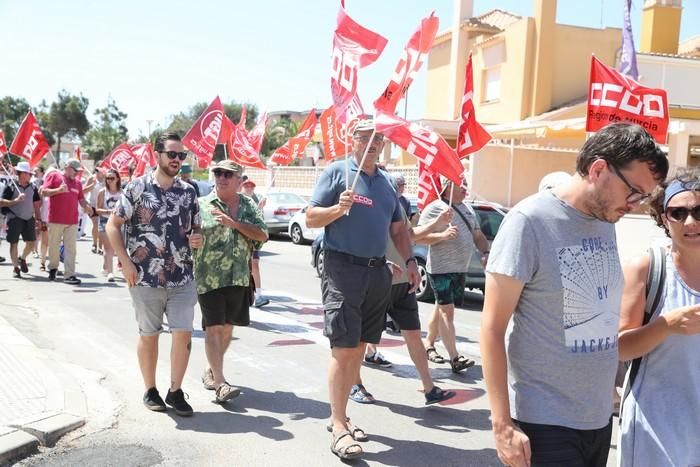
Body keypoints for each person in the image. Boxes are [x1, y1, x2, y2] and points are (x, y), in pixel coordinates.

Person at [480, 123, 668, 467]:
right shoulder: (529, 221)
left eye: (643, 197)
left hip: (597, 420)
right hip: (544, 422)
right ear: (598, 169)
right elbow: (492, 329)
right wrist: (502, 424)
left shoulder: (605, 220)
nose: (636, 205)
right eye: (634, 192)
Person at [306, 118, 419, 460]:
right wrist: (336, 209)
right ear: (351, 139)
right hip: (342, 268)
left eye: (378, 138)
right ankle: (339, 426)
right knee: (343, 349)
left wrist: (410, 262)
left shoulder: (385, 182)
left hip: (376, 272)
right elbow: (311, 218)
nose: (373, 142)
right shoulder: (338, 172)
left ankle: (341, 415)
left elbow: (398, 229)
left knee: (358, 348)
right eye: (365, 136)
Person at [106, 132, 202, 417]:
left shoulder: (188, 192)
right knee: (149, 335)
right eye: (172, 154)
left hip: (182, 275)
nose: (177, 160)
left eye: (181, 156)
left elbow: (196, 229)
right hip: (145, 277)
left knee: (183, 333)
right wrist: (126, 263)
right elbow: (113, 226)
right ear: (156, 154)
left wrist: (198, 238)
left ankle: (175, 391)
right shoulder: (136, 189)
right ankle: (150, 389)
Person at [618, 167, 700, 466]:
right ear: (664, 218)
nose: (690, 221)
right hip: (655, 430)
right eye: (678, 213)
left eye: (699, 210)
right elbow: (621, 346)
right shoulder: (647, 268)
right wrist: (666, 326)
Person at [352, 206, 458, 406]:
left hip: (403, 283)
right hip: (377, 279)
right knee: (363, 337)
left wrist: (436, 224)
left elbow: (409, 235)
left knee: (413, 334)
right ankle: (355, 383)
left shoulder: (393, 201)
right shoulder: (364, 198)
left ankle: (429, 388)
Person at [194, 160, 268, 403]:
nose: (222, 177)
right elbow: (188, 234)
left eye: (228, 174)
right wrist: (190, 240)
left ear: (239, 180)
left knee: (227, 328)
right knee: (214, 328)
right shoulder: (201, 205)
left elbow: (262, 235)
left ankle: (211, 370)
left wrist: (234, 224)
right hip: (209, 277)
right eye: (218, 173)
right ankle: (220, 382)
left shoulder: (248, 205)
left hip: (238, 276)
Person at [418, 177, 489, 373]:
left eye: (465, 181)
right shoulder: (435, 208)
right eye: (461, 182)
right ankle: (455, 357)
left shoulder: (467, 209)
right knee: (447, 312)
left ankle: (429, 344)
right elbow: (419, 237)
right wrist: (442, 235)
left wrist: (485, 252)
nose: (465, 186)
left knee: (440, 308)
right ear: (447, 186)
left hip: (460, 268)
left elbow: (478, 236)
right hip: (441, 268)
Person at [40, 159, 95, 285]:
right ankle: (53, 268)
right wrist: (58, 190)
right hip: (55, 219)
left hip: (72, 220)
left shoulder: (77, 183)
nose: (77, 173)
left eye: (78, 171)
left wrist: (87, 206)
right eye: (76, 170)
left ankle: (69, 275)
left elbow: (81, 199)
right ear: (68, 167)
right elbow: (43, 191)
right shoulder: (54, 176)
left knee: (71, 249)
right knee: (54, 246)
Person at [0, 162, 41, 278]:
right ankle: (15, 268)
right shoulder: (11, 186)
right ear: (22, 174)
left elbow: (36, 204)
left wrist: (38, 219)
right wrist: (16, 201)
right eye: (29, 174)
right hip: (14, 218)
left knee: (32, 243)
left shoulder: (33, 187)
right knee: (14, 243)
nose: (30, 176)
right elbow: (1, 202)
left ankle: (22, 258)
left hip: (29, 218)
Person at [240, 176, 268, 307]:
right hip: (241, 241)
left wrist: (260, 208)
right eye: (247, 186)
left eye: (251, 186)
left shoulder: (256, 200)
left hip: (254, 241)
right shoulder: (237, 201)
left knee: (254, 265)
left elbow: (260, 222)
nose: (249, 188)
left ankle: (259, 296)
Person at [95, 169, 122, 282]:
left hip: (119, 223)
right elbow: (97, 209)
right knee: (108, 248)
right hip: (105, 221)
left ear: (117, 179)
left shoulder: (123, 193)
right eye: (107, 178)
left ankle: (106, 265)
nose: (109, 181)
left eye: (112, 178)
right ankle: (111, 272)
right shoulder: (102, 192)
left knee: (118, 247)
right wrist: (108, 212)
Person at [87, 167, 105, 254]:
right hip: (92, 205)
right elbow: (83, 190)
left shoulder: (107, 179)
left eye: (99, 171)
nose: (97, 172)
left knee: (101, 226)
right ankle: (94, 244)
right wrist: (92, 186)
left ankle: (100, 246)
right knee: (95, 224)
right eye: (96, 170)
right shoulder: (92, 178)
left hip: (102, 205)